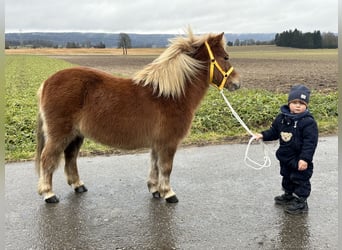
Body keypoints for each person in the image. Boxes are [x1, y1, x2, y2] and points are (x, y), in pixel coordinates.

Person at [254, 85, 318, 214]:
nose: (298, 106)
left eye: (301, 103)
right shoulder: (282, 118)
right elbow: (274, 131)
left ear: (306, 105)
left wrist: (305, 159)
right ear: (289, 103)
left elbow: (310, 143)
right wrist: (263, 135)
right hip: (285, 157)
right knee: (286, 177)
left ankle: (301, 201)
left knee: (300, 179)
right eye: (294, 102)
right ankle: (288, 194)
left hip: (299, 159)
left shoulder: (308, 122)